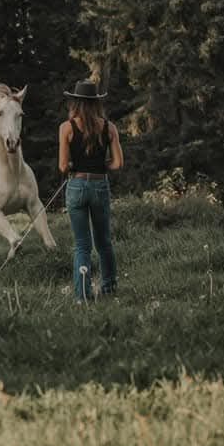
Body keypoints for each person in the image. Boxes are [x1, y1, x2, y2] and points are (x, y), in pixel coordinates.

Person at [58, 80, 124, 300]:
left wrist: (74, 167)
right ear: (97, 103)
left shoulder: (66, 128)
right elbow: (117, 164)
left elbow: (62, 165)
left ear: (75, 102)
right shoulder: (109, 127)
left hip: (76, 186)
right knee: (104, 241)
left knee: (82, 246)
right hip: (99, 186)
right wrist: (100, 166)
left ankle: (83, 295)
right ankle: (109, 289)